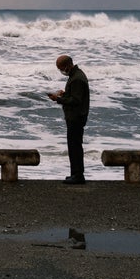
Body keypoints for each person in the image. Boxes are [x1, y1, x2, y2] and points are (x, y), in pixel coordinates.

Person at [47, 54, 90, 184]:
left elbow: (76, 100)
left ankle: (78, 175)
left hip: (76, 117)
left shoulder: (77, 78)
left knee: (75, 146)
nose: (61, 71)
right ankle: (75, 174)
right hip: (76, 116)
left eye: (61, 68)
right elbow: (75, 95)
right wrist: (65, 94)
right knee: (74, 146)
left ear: (68, 65)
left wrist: (58, 99)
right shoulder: (76, 75)